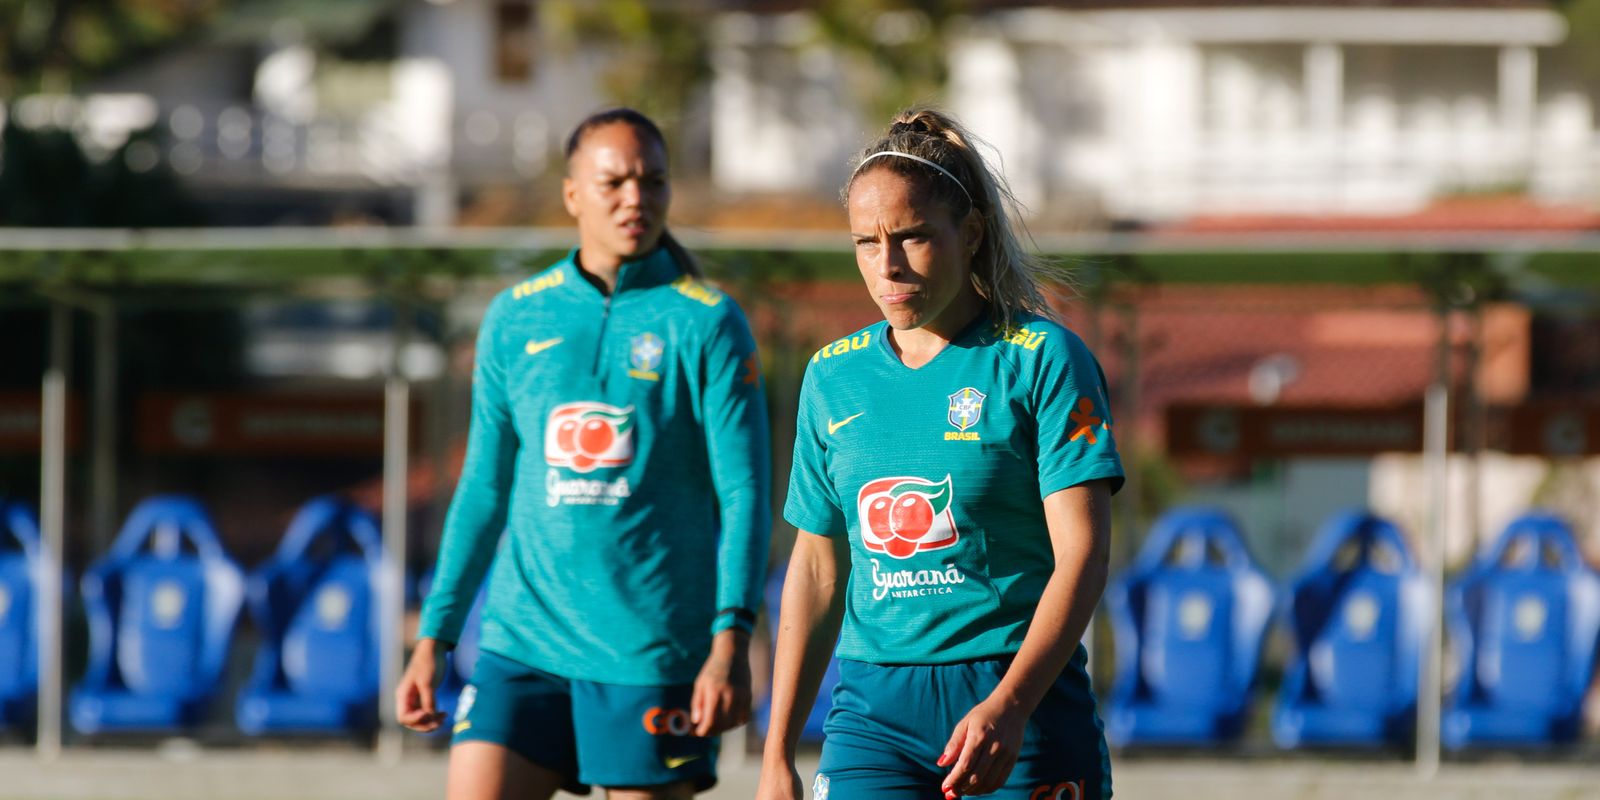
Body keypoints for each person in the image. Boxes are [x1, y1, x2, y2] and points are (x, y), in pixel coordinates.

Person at [396, 108, 771, 800]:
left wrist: (731, 640)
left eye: (653, 181)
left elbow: (745, 494)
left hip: (653, 652)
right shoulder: (516, 314)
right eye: (615, 182)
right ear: (573, 194)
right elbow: (482, 487)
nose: (637, 198)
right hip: (522, 643)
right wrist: (436, 635)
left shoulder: (707, 319)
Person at [758, 108, 1124, 800]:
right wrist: (776, 750)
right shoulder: (832, 376)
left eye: (914, 237)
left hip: (1017, 698)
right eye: (866, 242)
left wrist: (1011, 706)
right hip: (874, 712)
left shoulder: (1043, 360)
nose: (887, 265)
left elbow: (1084, 556)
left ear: (972, 233)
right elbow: (816, 566)